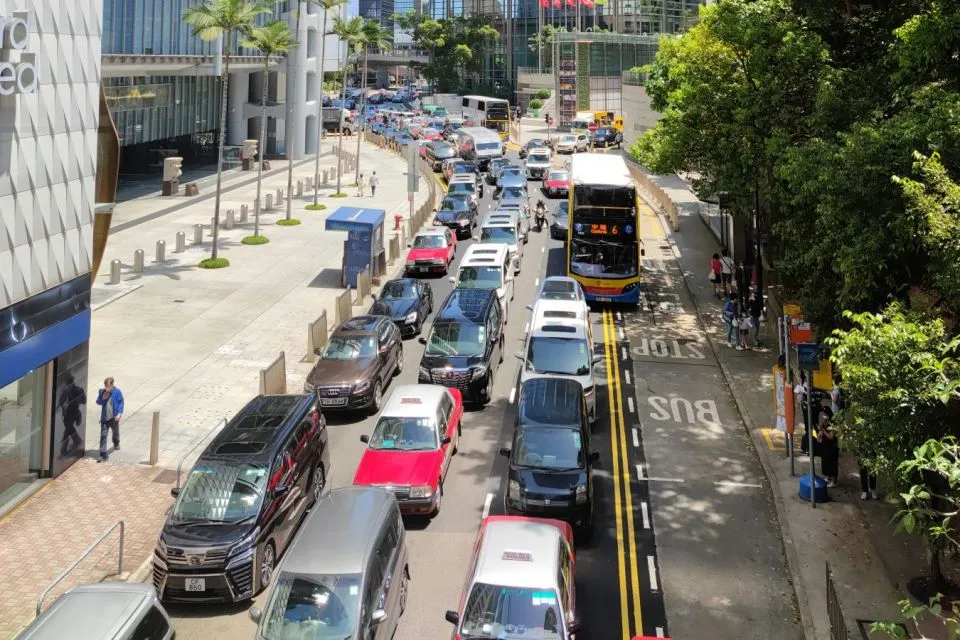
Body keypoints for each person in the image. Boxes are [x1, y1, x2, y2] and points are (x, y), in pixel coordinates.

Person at [95, 377, 124, 462]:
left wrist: (119, 413)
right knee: (103, 435)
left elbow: (121, 402)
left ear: (112, 385)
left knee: (115, 431)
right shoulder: (102, 392)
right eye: (106, 387)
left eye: (108, 387)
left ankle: (116, 442)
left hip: (113, 418)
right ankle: (103, 454)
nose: (107, 389)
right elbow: (98, 401)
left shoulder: (117, 392)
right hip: (104, 418)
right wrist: (103, 399)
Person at [57, 373, 85, 457]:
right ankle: (77, 440)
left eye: (67, 383)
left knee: (67, 430)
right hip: (67, 414)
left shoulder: (79, 390)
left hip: (73, 413)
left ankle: (64, 450)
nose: (67, 385)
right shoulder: (65, 390)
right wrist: (62, 405)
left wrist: (75, 400)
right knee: (68, 429)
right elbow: (61, 402)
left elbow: (84, 401)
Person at [816, 407, 839, 487]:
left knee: (832, 463)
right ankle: (828, 477)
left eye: (824, 415)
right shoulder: (824, 423)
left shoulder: (833, 423)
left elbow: (830, 436)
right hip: (825, 446)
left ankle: (834, 481)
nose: (823, 417)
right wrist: (819, 435)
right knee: (826, 462)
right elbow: (820, 434)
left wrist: (823, 430)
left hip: (832, 446)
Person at [794, 372, 811, 454]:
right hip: (807, 408)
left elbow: (794, 394)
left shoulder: (801, 386)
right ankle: (806, 447)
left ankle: (806, 447)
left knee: (808, 429)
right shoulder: (805, 385)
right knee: (809, 428)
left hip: (806, 408)